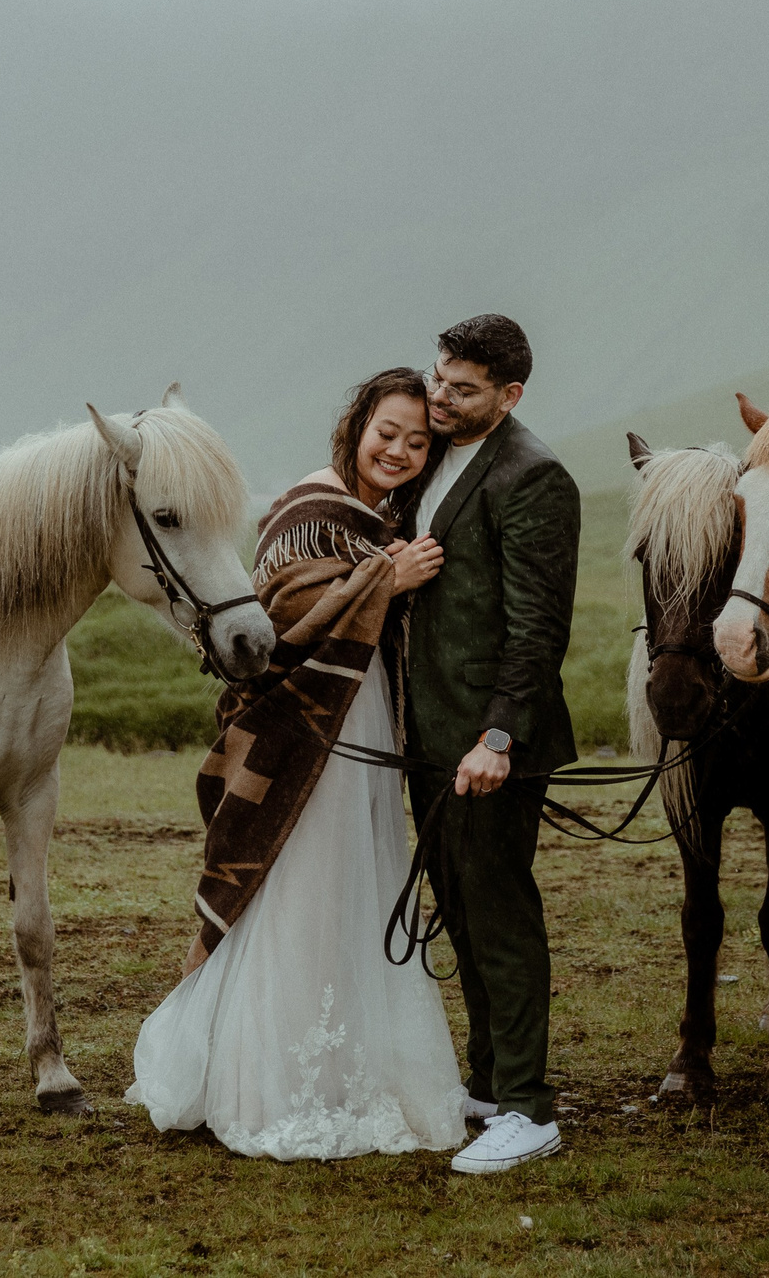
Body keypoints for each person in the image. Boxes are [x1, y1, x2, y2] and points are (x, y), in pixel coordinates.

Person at [125, 369, 467, 1159]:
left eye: (419, 442)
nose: (401, 451)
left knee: (354, 883)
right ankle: (267, 1082)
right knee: (304, 888)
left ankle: (346, 1067)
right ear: (357, 423)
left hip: (360, 713)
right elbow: (284, 623)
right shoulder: (312, 510)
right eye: (389, 431)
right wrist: (387, 576)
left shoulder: (376, 514)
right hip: (313, 725)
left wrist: (382, 572)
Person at [407, 314, 581, 1175]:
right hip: (431, 738)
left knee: (502, 915)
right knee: (462, 913)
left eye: (462, 388)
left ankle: (529, 1108)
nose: (440, 396)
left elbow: (537, 628)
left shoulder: (535, 476)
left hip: (489, 747)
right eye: (439, 377)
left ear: (510, 395)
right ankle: (485, 1085)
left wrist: (498, 737)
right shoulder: (439, 454)